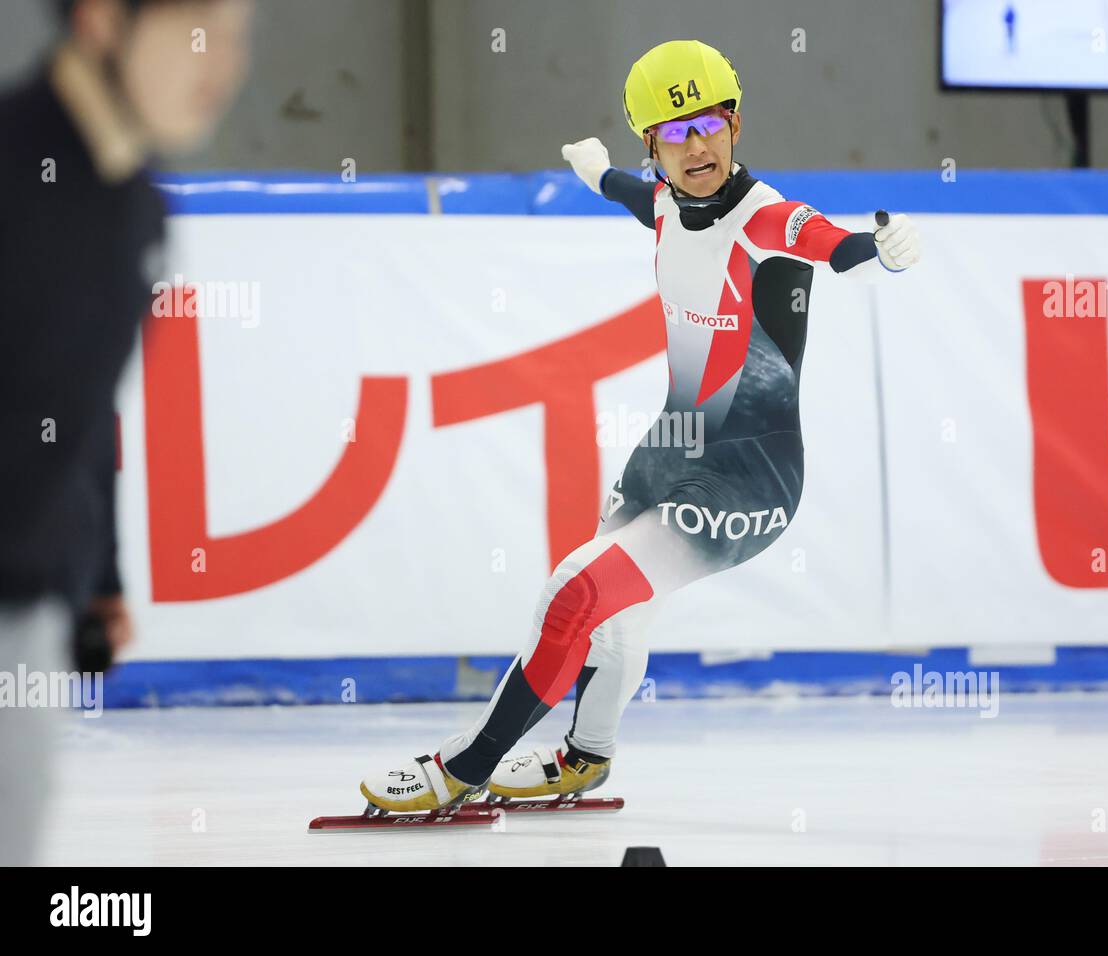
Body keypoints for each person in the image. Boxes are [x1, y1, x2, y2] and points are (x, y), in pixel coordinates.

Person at [361, 38, 920, 812]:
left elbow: (824, 241)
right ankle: (585, 757)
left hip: (750, 473)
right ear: (653, 146)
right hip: (669, 448)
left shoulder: (768, 220)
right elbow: (629, 191)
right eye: (675, 131)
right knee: (609, 616)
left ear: (736, 125)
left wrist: (878, 248)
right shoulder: (660, 199)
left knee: (573, 591)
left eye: (712, 124)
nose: (698, 145)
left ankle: (465, 768)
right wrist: (593, 170)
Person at [0, 0, 253, 865]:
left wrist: (99, 576)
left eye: (236, 34)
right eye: (198, 32)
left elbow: (80, 414)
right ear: (103, 20)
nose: (223, 64)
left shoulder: (138, 214)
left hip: (26, 613)